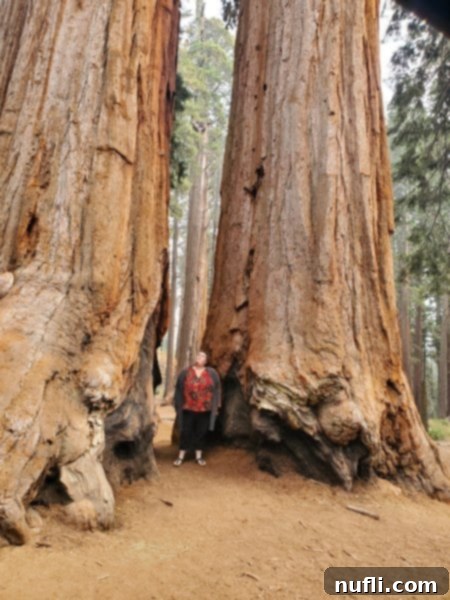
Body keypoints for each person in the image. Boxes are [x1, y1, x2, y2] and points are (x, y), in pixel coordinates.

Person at [173, 351, 221, 467]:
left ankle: (198, 457)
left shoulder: (212, 373)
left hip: (205, 409)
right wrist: (177, 404)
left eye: (203, 356)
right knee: (185, 431)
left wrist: (217, 404)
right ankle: (180, 456)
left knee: (201, 432)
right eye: (198, 355)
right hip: (188, 407)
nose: (200, 357)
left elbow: (217, 389)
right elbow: (178, 389)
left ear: (206, 360)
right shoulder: (186, 372)